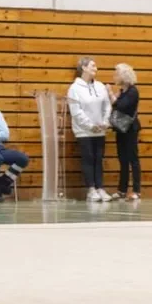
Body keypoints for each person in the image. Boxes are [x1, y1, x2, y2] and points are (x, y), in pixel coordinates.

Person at [67, 57, 112, 202]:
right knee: (88, 159)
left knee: (98, 159)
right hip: (84, 132)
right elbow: (76, 112)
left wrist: (105, 122)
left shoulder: (100, 86)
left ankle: (100, 188)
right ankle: (91, 189)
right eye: (93, 66)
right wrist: (90, 126)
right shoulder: (74, 89)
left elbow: (107, 105)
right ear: (84, 68)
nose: (96, 68)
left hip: (100, 130)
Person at [109, 63, 142, 201]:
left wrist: (110, 94)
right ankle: (122, 189)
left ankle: (136, 190)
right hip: (121, 128)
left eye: (117, 73)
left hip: (130, 129)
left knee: (133, 159)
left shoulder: (133, 91)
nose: (115, 76)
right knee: (122, 159)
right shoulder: (123, 91)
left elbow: (121, 106)